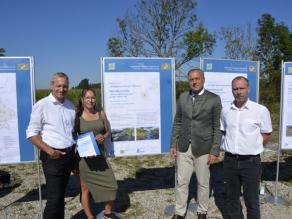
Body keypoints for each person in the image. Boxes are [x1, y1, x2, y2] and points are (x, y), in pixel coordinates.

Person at [170, 68, 222, 219]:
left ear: (203, 79)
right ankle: (179, 212)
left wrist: (214, 150)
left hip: (204, 148)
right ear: (189, 81)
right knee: (182, 181)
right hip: (184, 146)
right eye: (191, 79)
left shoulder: (214, 99)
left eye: (197, 78)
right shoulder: (183, 97)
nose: (194, 82)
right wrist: (173, 144)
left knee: (203, 182)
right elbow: (178, 122)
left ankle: (202, 211)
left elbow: (217, 127)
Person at [220, 76, 272, 219]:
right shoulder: (225, 111)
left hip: (251, 162)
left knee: (252, 200)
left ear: (248, 89)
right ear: (232, 91)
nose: (238, 92)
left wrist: (253, 146)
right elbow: (223, 132)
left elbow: (267, 134)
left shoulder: (260, 110)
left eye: (241, 88)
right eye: (235, 89)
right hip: (230, 161)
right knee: (232, 198)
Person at [26, 72, 76, 219]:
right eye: (58, 85)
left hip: (69, 155)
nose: (62, 89)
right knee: (54, 200)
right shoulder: (42, 105)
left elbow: (71, 132)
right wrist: (50, 151)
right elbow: (31, 134)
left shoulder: (70, 106)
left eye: (65, 86)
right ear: (52, 86)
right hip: (52, 157)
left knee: (61, 197)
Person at [74, 88, 118, 219]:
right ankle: (89, 216)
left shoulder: (101, 114)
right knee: (85, 189)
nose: (90, 100)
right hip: (85, 159)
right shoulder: (77, 116)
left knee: (113, 186)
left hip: (100, 156)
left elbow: (108, 131)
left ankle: (107, 212)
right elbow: (72, 136)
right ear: (82, 99)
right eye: (87, 97)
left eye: (93, 97)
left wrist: (104, 136)